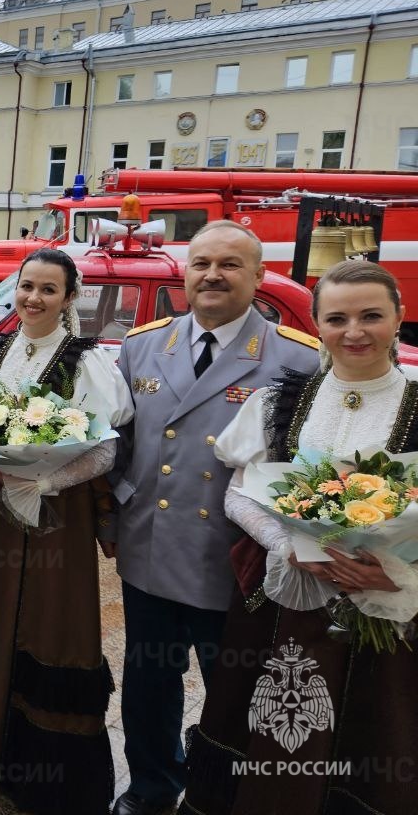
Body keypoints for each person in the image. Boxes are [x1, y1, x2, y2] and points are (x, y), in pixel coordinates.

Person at [182, 260, 418, 815]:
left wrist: (399, 574)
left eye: (371, 316)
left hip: (389, 609)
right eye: (337, 318)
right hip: (285, 603)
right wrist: (286, 545)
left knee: (375, 732)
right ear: (315, 324)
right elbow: (238, 493)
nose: (354, 331)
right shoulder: (282, 400)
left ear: (400, 318)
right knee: (274, 731)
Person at [108, 221, 319, 815]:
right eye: (201, 262)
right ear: (184, 272)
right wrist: (110, 518)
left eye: (230, 264)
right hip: (149, 542)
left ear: (258, 278)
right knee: (149, 680)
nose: (213, 275)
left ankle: (222, 790)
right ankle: (151, 784)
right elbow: (120, 441)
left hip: (233, 555)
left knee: (232, 684)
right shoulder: (143, 344)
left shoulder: (296, 358)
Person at [0, 248, 134, 813]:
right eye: (27, 287)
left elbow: (106, 449)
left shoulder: (85, 360)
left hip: (55, 512)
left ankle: (40, 771)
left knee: (46, 619)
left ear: (68, 298)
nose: (33, 298)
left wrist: (44, 480)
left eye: (48, 289)